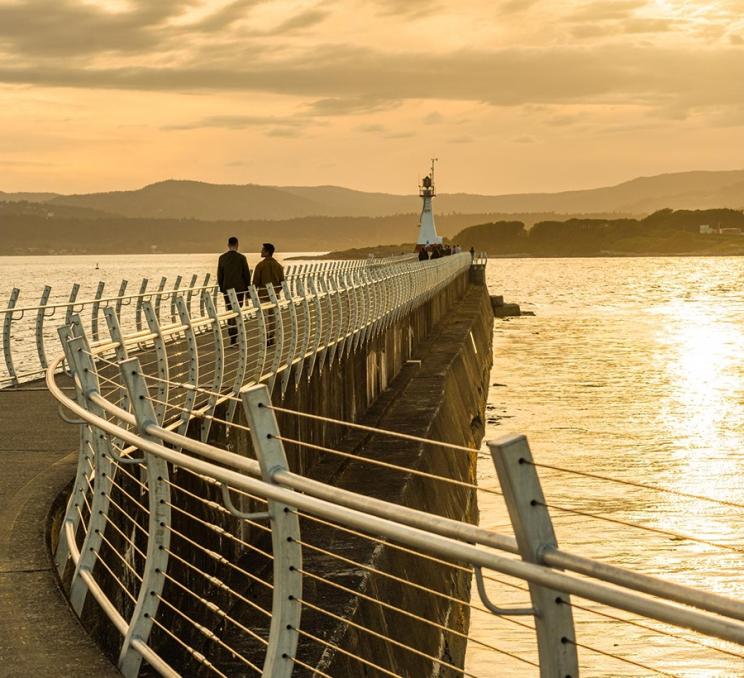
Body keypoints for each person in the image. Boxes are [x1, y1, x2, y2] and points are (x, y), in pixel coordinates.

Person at [217, 236, 250, 346]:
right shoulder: (241, 258)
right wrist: (247, 289)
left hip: (227, 288)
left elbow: (220, 275)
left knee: (230, 311)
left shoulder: (222, 258)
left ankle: (231, 336)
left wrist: (222, 287)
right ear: (237, 245)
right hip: (239, 289)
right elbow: (246, 275)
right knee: (237, 312)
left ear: (228, 245)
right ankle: (235, 336)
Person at [252, 243, 285, 345]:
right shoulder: (278, 266)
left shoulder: (260, 266)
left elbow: (255, 283)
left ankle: (266, 338)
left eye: (262, 250)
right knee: (273, 318)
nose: (261, 252)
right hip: (275, 296)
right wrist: (276, 291)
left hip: (262, 296)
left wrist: (252, 295)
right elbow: (282, 282)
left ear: (267, 252)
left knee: (264, 318)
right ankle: (272, 337)